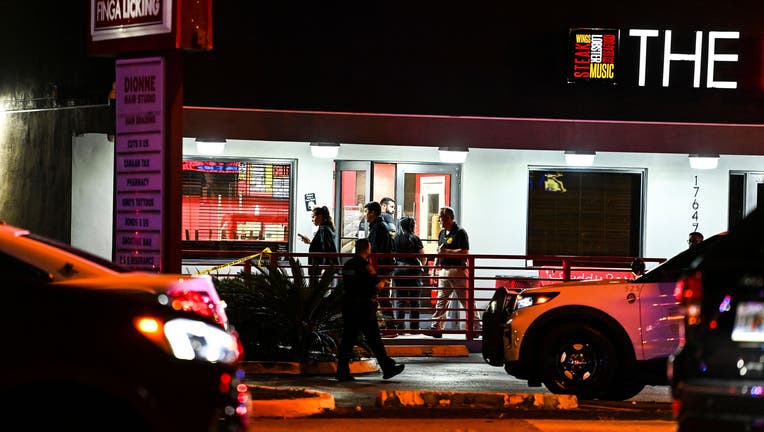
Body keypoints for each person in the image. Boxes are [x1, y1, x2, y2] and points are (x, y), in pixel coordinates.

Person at [335, 239, 405, 382]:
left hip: (349, 305)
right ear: (367, 249)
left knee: (348, 339)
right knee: (374, 339)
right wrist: (384, 282)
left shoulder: (347, 265)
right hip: (364, 307)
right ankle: (387, 367)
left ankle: (342, 371)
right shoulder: (366, 266)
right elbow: (376, 285)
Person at [429, 206, 481, 337]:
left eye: (441, 218)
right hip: (444, 270)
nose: (439, 221)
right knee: (441, 300)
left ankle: (476, 326)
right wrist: (436, 267)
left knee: (466, 300)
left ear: (448, 218)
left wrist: (447, 252)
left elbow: (465, 252)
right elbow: (439, 251)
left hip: (457, 270)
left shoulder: (460, 232)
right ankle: (436, 328)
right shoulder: (442, 233)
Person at [364, 201, 395, 329]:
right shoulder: (380, 226)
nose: (365, 215)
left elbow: (376, 250)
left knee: (381, 297)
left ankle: (390, 326)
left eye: (366, 212)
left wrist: (372, 269)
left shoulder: (378, 227)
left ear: (372, 213)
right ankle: (386, 325)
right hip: (383, 268)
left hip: (380, 269)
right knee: (380, 297)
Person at [392, 216, 426, 332]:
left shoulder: (395, 238)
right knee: (414, 300)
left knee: (400, 300)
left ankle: (400, 327)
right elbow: (423, 257)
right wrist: (421, 266)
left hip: (398, 271)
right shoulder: (415, 238)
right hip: (413, 270)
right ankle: (414, 328)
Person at [299, 206, 338, 274]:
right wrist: (310, 242)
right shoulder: (327, 228)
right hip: (321, 266)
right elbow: (323, 246)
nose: (312, 220)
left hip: (319, 266)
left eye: (313, 217)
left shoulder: (323, 229)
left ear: (319, 217)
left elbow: (326, 248)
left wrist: (324, 267)